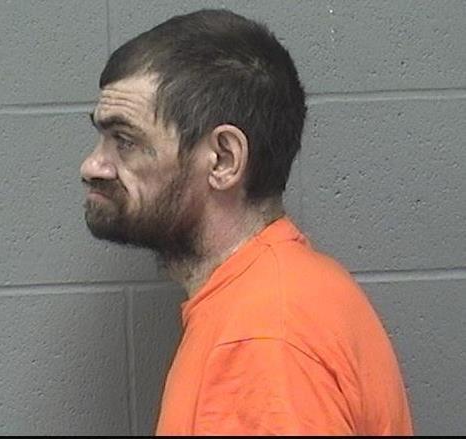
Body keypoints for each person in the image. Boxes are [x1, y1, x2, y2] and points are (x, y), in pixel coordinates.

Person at [80, 9, 413, 436]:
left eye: (124, 140)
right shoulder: (282, 294)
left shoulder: (261, 341)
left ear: (224, 159)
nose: (92, 165)